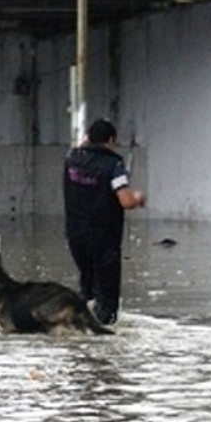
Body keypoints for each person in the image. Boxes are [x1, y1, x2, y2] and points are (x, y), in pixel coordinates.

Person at [62, 118, 145, 327]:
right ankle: (103, 345)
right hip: (104, 239)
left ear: (89, 138)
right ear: (110, 140)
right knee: (106, 299)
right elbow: (125, 201)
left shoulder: (71, 159)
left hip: (76, 237)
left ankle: (81, 333)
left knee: (87, 288)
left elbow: (80, 145)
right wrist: (138, 198)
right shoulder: (114, 165)